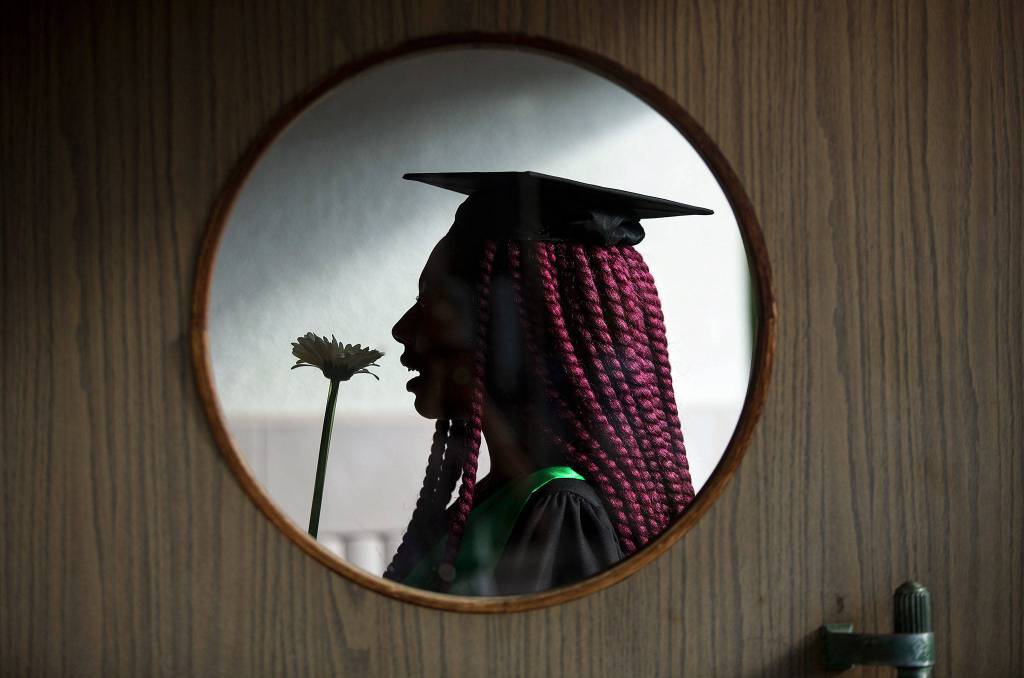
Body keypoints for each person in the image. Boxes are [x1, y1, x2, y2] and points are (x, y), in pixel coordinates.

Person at [385, 171, 712, 595]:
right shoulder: (502, 496)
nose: (401, 329)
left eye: (432, 301)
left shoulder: (560, 509)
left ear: (516, 334)